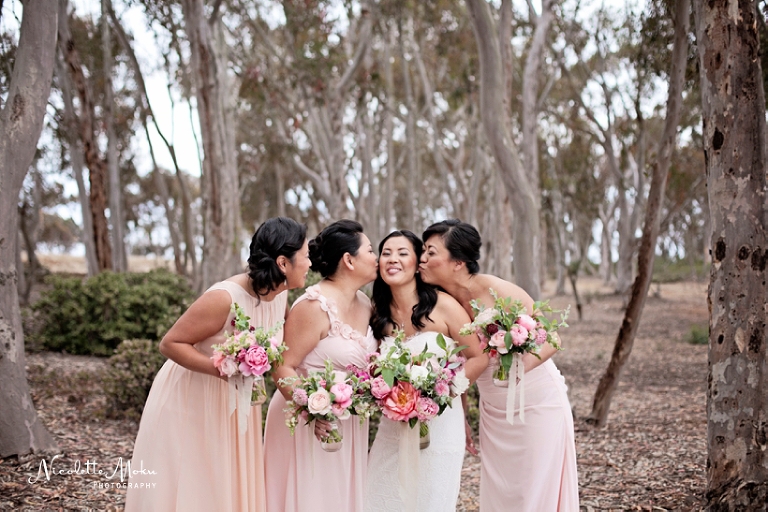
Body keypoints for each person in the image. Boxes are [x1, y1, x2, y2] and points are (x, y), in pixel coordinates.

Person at [124, 217, 310, 512]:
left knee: (226, 485)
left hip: (238, 403)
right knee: (197, 484)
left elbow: (277, 361)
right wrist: (226, 369)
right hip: (193, 400)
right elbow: (170, 344)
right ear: (283, 262)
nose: (310, 262)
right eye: (306, 255)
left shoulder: (281, 295)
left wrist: (307, 403)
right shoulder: (224, 298)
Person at [419, 219, 579, 512]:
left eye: (431, 252)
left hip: (535, 402)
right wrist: (463, 416)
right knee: (504, 494)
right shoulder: (440, 302)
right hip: (493, 413)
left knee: (533, 492)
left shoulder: (494, 290)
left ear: (458, 262)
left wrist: (517, 370)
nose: (422, 259)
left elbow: (552, 337)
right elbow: (460, 363)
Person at [364, 230, 488, 512]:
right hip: (392, 431)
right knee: (377, 498)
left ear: (417, 262)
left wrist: (443, 394)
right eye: (386, 253)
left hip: (441, 425)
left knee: (431, 501)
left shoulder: (443, 306)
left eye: (402, 253)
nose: (392, 259)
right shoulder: (377, 313)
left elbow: (477, 356)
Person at [263, 219, 379, 512]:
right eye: (370, 250)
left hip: (349, 422)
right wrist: (315, 410)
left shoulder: (365, 303)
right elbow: (282, 367)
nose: (377, 257)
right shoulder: (313, 306)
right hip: (307, 422)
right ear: (349, 260)